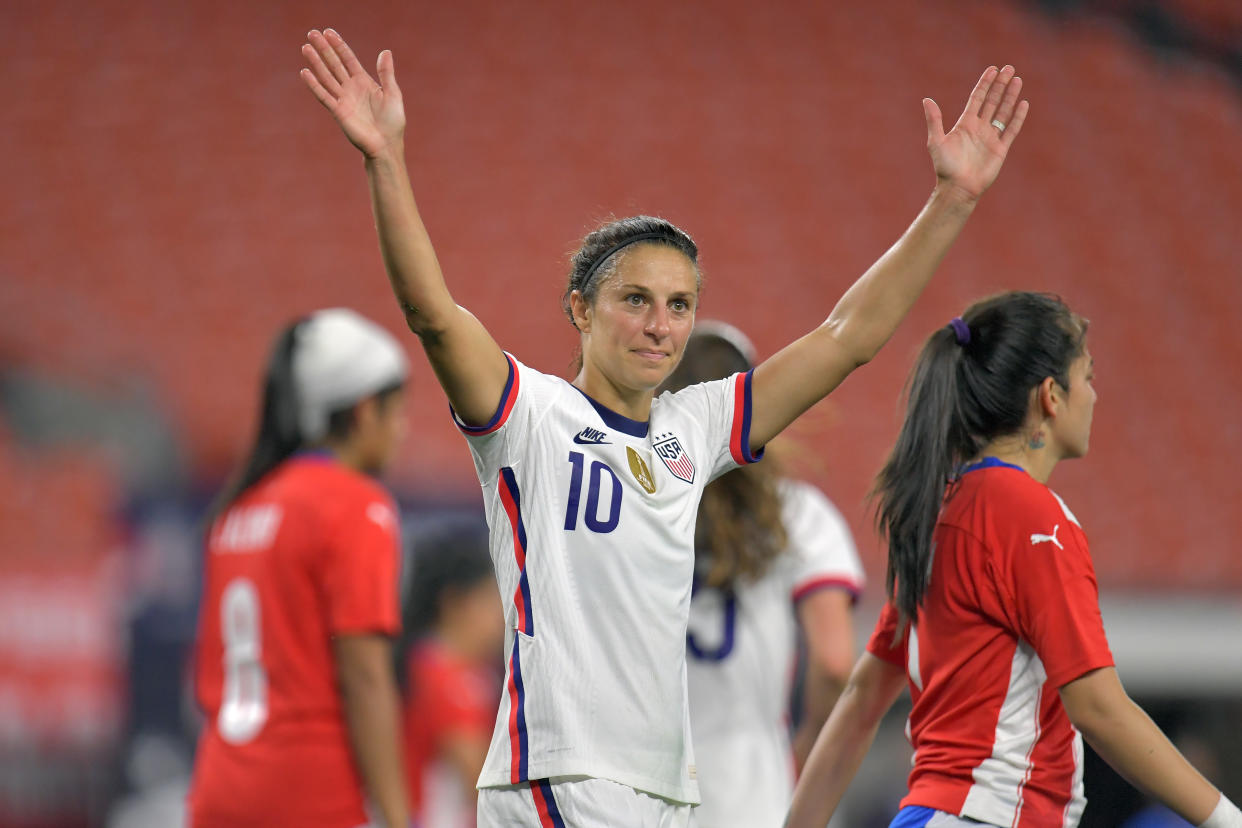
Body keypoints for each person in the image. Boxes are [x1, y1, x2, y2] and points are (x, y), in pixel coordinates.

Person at [300, 27, 1027, 826]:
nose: (660, 325)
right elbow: (432, 316)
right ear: (580, 309)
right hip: (556, 778)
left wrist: (950, 201)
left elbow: (847, 337)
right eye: (635, 300)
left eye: (679, 305)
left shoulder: (697, 427)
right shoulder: (529, 416)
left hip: (668, 793)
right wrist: (385, 160)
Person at [785, 292, 1242, 828]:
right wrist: (1223, 817)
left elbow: (864, 697)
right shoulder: (1030, 516)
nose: (1094, 396)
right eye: (1088, 377)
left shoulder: (941, 513)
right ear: (1051, 395)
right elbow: (1097, 707)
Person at [188, 308, 411, 828]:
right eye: (396, 409)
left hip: (217, 789)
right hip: (309, 795)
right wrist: (400, 817)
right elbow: (365, 677)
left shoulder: (237, 510)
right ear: (363, 411)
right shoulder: (354, 504)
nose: (402, 429)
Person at [660, 322, 864, 828]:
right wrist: (809, 745)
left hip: (642, 795)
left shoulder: (639, 507)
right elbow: (836, 662)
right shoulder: (799, 515)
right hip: (756, 792)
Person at [398, 519, 504, 827]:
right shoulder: (444, 675)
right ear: (455, 603)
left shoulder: (461, 671)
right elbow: (481, 781)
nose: (501, 612)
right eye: (490, 598)